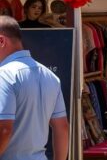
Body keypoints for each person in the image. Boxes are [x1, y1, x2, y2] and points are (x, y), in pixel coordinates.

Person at [0, 16, 69, 160]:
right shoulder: (50, 76)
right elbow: (62, 128)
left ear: (1, 41)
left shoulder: (4, 75)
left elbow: (4, 129)